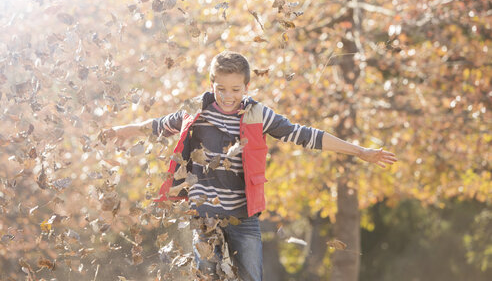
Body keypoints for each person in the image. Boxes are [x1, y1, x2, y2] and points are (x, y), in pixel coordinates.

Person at [103, 51, 397, 281]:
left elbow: (304, 135)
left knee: (251, 276)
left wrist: (359, 150)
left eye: (235, 89)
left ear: (246, 86)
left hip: (243, 216)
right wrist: (122, 131)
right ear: (211, 84)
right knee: (207, 275)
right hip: (205, 215)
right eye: (221, 89)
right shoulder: (195, 113)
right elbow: (156, 126)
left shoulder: (258, 114)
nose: (228, 97)